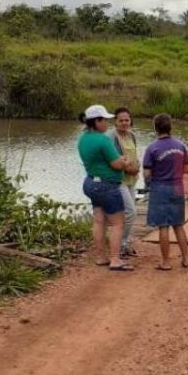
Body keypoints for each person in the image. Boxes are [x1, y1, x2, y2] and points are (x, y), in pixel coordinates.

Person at [78, 104, 135, 271]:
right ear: (96, 121)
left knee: (99, 220)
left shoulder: (83, 138)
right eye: (104, 120)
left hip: (90, 182)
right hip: (107, 185)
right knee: (118, 222)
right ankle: (115, 259)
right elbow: (117, 164)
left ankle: (101, 257)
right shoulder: (103, 139)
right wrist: (125, 161)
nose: (107, 124)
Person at [143, 114, 188, 270]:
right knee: (178, 225)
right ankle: (186, 259)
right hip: (177, 187)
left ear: (155, 128)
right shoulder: (181, 145)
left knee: (163, 226)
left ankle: (166, 262)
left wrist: (149, 184)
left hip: (160, 188)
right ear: (170, 127)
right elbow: (186, 169)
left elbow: (147, 173)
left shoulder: (152, 148)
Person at [107, 107, 140, 258]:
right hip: (118, 179)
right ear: (115, 122)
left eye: (127, 120)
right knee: (131, 211)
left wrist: (137, 167)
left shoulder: (132, 136)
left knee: (127, 213)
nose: (124, 123)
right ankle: (120, 244)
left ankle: (124, 243)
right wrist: (129, 169)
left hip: (132, 179)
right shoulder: (112, 137)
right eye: (121, 120)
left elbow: (134, 155)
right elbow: (113, 160)